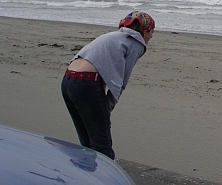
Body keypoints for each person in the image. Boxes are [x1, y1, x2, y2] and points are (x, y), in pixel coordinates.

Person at [61, 11, 155, 159]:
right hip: (86, 83)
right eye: (152, 32)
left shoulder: (114, 36)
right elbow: (120, 82)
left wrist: (103, 112)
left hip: (68, 81)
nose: (151, 37)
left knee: (87, 142)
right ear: (145, 30)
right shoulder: (137, 43)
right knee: (102, 147)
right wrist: (107, 110)